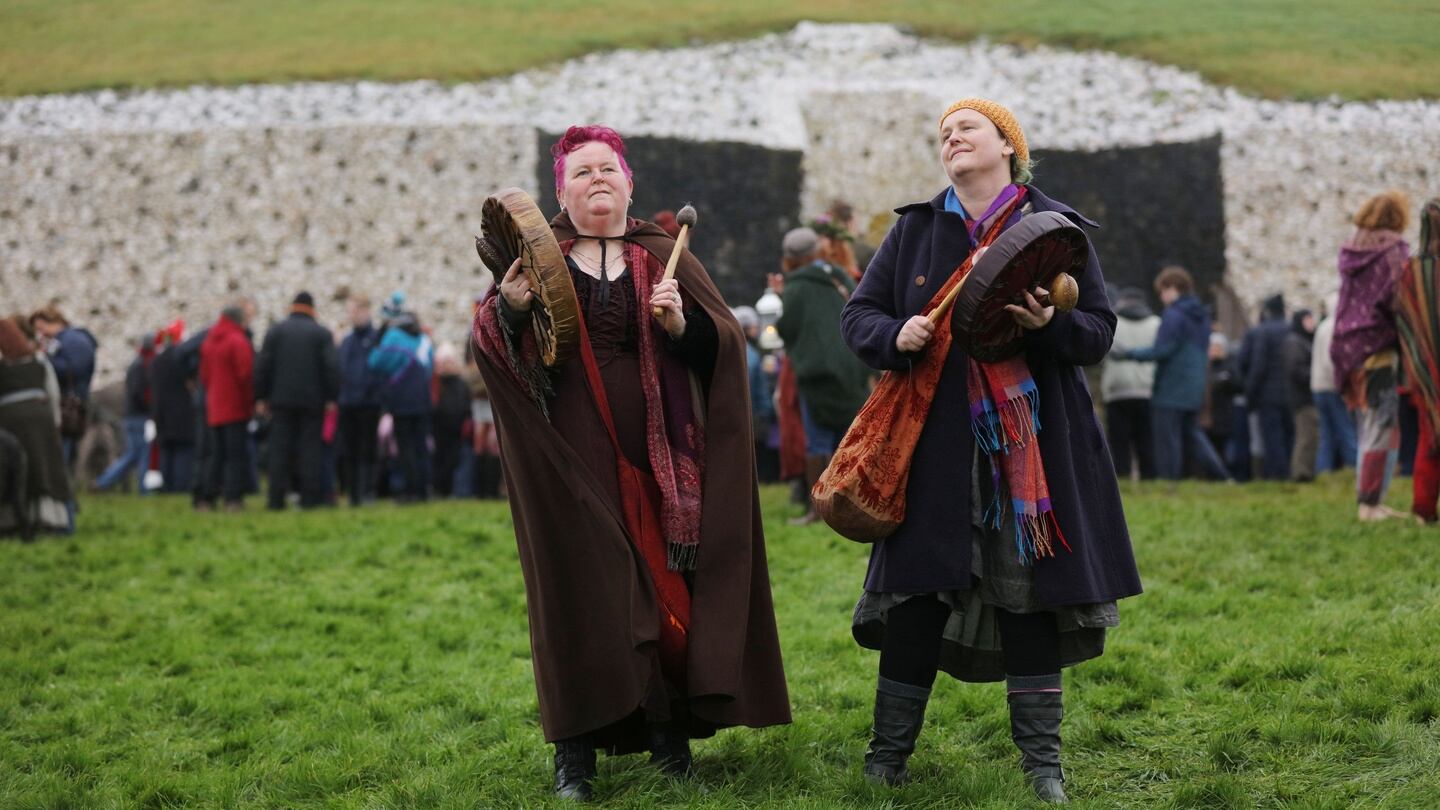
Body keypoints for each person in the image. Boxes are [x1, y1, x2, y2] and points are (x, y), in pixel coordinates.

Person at [471, 125, 790, 800]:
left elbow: (723, 343)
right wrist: (511, 308)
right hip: (568, 457)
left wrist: (683, 327)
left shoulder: (658, 252)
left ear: (628, 181)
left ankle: (667, 733)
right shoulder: (538, 259)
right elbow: (492, 346)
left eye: (606, 169)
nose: (596, 180)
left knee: (663, 587)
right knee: (579, 593)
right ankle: (576, 753)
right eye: (581, 172)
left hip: (658, 458)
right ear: (560, 190)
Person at [839, 99, 1141, 803]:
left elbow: (1096, 331)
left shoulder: (1058, 231)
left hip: (1030, 444)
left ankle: (1043, 768)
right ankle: (886, 761)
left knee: (1028, 599)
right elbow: (859, 315)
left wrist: (1046, 327)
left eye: (966, 128)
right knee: (914, 598)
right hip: (931, 444)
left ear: (1008, 144)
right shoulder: (915, 228)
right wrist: (897, 335)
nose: (952, 139)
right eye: (944, 134)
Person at [774, 226, 871, 524]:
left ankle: (819, 510)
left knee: (818, 442)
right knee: (852, 437)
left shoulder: (794, 288)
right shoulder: (838, 275)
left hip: (815, 375)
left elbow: (787, 329)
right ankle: (858, 503)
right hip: (852, 367)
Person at [1332, 191, 1410, 521]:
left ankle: (1367, 499)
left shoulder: (1351, 250)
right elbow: (1399, 297)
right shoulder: (1393, 251)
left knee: (1367, 424)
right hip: (1377, 345)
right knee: (1383, 424)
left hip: (1346, 345)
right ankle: (1370, 503)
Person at [1120, 267, 1231, 481]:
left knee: (1166, 438)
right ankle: (1222, 476)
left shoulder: (1174, 315)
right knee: (1193, 435)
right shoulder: (1202, 317)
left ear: (1173, 288)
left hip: (1171, 387)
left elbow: (1162, 350)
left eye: (1162, 291)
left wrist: (1129, 353)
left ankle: (1169, 482)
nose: (1161, 297)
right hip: (1195, 386)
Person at [255, 291, 340, 510]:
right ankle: (309, 499)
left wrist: (261, 396)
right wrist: (332, 396)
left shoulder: (276, 332)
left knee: (279, 450)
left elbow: (263, 366)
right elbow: (332, 368)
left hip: (280, 401)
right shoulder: (321, 334)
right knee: (310, 451)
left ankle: (276, 499)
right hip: (313, 402)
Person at [0, 318, 73, 537]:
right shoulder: (39, 362)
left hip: (9, 421)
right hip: (40, 420)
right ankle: (50, 519)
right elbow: (52, 393)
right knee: (44, 468)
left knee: (12, 472)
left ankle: (11, 520)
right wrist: (55, 422)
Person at [1397, 197, 1440, 524]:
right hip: (1427, 369)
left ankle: (1423, 510)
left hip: (1425, 372)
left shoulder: (1409, 271)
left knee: (1430, 438)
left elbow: (1403, 319)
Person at [368, 310, 432, 502]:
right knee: (421, 446)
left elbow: (374, 361)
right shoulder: (424, 340)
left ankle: (409, 491)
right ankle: (423, 491)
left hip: (401, 401)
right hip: (422, 400)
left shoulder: (393, 336)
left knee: (405, 448)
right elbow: (429, 370)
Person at [197, 304, 254, 511]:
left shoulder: (209, 341)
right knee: (235, 456)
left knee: (215, 455)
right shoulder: (238, 341)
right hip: (235, 407)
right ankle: (233, 499)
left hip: (214, 408)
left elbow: (204, 376)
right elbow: (245, 376)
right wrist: (250, 403)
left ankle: (206, 498)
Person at [1101, 286, 1159, 480]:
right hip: (1147, 389)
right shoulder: (1156, 323)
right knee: (1147, 439)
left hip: (1117, 389)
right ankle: (1149, 477)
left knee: (1120, 441)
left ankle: (1123, 476)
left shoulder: (1113, 322)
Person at [29, 305, 98, 464]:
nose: (41, 333)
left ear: (54, 321)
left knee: (61, 452)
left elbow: (74, 369)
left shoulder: (73, 340)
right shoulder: (63, 341)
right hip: (65, 403)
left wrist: (44, 360)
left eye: (41, 327)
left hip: (68, 405)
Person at [1239, 294, 1294, 479]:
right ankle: (1290, 471)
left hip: (1268, 395)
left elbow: (1258, 365)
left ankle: (1276, 475)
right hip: (1292, 393)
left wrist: (1250, 393)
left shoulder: (1263, 331)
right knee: (1290, 435)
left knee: (1272, 438)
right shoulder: (1292, 329)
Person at [337, 294, 384, 505]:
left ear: (366, 311)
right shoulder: (347, 342)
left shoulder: (375, 338)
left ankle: (367, 491)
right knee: (350, 450)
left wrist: (372, 393)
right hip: (348, 404)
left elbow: (377, 371)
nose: (352, 315)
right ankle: (353, 493)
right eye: (350, 311)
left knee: (367, 450)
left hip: (369, 404)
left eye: (356, 311)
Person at [92, 334, 154, 493]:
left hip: (133, 416)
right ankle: (143, 489)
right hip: (139, 417)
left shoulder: (138, 364)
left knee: (132, 455)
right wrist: (150, 405)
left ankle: (103, 483)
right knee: (143, 453)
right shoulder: (141, 366)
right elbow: (138, 393)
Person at [149, 322, 198, 492]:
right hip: (182, 412)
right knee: (183, 451)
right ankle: (180, 485)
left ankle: (167, 485)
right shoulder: (182, 360)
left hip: (161, 412)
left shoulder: (156, 361)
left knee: (166, 450)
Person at [1311, 293, 1357, 473]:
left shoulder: (1323, 326)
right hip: (1332, 386)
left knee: (1327, 433)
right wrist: (1342, 383)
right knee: (1345, 428)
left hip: (1318, 386)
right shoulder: (1335, 327)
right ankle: (1354, 466)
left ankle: (1324, 469)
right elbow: (1331, 361)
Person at [430, 343, 471, 497]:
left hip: (455, 430)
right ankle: (440, 489)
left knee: (454, 460)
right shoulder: (436, 383)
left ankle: (451, 489)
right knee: (440, 460)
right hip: (439, 429)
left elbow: (465, 405)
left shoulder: (460, 384)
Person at [1285, 310, 1318, 481]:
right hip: (1302, 397)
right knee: (1305, 436)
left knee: (1310, 436)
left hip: (1306, 396)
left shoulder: (1304, 341)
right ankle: (1300, 473)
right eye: (1307, 319)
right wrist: (1314, 375)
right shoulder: (1295, 342)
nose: (1311, 322)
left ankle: (1306, 471)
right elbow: (1296, 370)